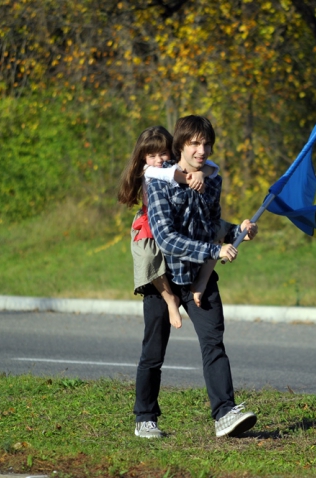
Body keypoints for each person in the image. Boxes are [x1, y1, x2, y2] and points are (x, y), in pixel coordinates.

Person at [133, 115, 259, 439]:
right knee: (153, 352)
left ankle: (225, 414)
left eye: (206, 144)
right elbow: (166, 237)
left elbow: (210, 224)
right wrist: (213, 251)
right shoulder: (159, 181)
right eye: (195, 144)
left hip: (198, 277)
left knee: (213, 342)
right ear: (181, 147)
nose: (202, 150)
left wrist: (237, 231)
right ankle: (145, 418)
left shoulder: (212, 179)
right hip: (165, 277)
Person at [118, 126, 220, 328]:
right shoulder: (150, 170)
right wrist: (194, 176)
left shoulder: (173, 165)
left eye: (163, 153)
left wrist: (203, 171)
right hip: (148, 221)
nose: (158, 160)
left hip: (169, 216)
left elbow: (213, 167)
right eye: (151, 155)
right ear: (143, 158)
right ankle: (169, 299)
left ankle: (200, 282)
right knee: (148, 257)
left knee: (218, 231)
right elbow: (171, 175)